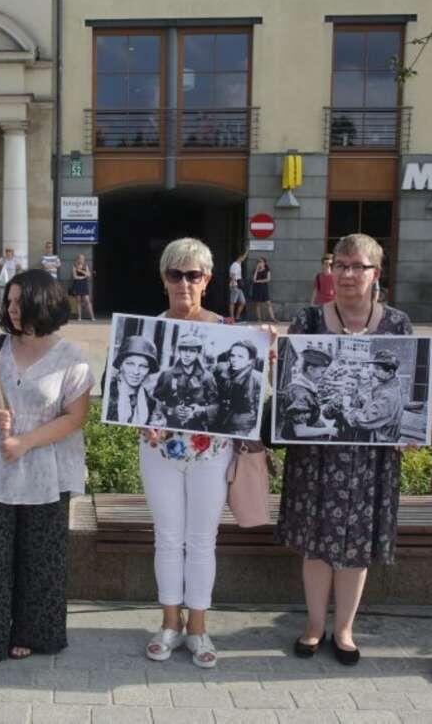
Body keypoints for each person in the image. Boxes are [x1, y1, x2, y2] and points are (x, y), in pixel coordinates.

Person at [275, 233, 414, 667]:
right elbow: (286, 386)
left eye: (357, 266)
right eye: (340, 265)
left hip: (371, 459)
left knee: (356, 545)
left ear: (376, 273)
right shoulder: (307, 320)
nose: (347, 274)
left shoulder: (397, 325)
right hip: (315, 457)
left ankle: (345, 629)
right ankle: (315, 624)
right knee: (316, 543)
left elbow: (403, 398)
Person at [0, 269, 93, 661]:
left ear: (42, 302)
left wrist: (25, 442)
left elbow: (75, 417)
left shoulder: (71, 357)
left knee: (41, 557)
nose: (12, 309)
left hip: (47, 472)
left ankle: (34, 633)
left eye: (20, 301)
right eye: (10, 301)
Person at [138, 238, 235, 670]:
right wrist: (141, 419)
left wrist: (268, 353)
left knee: (201, 540)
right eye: (175, 274)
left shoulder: (229, 331)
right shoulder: (147, 332)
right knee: (167, 537)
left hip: (210, 453)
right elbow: (130, 393)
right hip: (159, 451)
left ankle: (197, 627)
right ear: (163, 279)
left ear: (207, 280)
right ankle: (168, 623)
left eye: (193, 275)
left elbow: (244, 396)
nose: (184, 283)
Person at [149, 332, 219, 431]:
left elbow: (216, 405)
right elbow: (155, 402)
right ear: (179, 351)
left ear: (198, 353)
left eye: (192, 351)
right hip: (170, 426)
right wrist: (171, 410)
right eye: (184, 350)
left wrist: (199, 410)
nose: (187, 355)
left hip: (197, 428)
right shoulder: (167, 374)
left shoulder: (206, 377)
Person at [279, 349, 339, 442]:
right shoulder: (300, 393)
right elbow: (300, 431)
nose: (323, 375)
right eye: (322, 372)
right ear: (310, 369)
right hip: (298, 442)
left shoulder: (304, 386)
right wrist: (329, 430)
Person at [106, 335, 159, 425]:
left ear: (149, 370)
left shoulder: (151, 403)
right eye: (130, 364)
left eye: (143, 366)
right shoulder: (108, 394)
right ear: (121, 365)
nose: (136, 372)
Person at [215, 340, 263, 436]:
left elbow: (260, 411)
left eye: (240, 356)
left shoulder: (258, 379)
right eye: (232, 355)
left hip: (244, 430)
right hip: (222, 425)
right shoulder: (223, 375)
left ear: (250, 360)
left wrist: (255, 431)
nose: (234, 360)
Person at [0, 248, 23, 313]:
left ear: (12, 254)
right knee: (1, 294)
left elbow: (20, 268)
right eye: (7, 254)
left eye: (10, 254)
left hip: (11, 280)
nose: (8, 255)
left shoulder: (15, 260)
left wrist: (19, 268)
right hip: (3, 280)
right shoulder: (2, 260)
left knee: (12, 295)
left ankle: (11, 307)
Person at [250, 257, 276, 322]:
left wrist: (259, 281)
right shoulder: (255, 270)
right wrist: (256, 269)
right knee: (258, 304)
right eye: (258, 262)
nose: (259, 263)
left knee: (268, 303)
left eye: (261, 261)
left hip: (264, 288)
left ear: (264, 263)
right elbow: (254, 279)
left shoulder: (267, 270)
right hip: (257, 288)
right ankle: (259, 318)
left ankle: (273, 318)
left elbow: (268, 279)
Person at [72, 254, 94, 321]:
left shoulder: (85, 265)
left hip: (84, 284)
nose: (81, 260)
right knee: (78, 301)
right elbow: (75, 277)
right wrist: (83, 277)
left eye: (83, 258)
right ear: (78, 259)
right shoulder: (74, 266)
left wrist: (81, 271)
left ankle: (92, 317)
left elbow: (89, 275)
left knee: (87, 300)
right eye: (80, 258)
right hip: (77, 284)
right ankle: (79, 317)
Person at [228, 251, 247, 322]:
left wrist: (247, 251)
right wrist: (234, 285)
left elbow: (244, 256)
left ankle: (237, 317)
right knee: (232, 302)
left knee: (243, 302)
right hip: (235, 284)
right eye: (242, 257)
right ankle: (232, 318)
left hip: (239, 285)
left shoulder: (239, 264)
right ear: (240, 257)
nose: (243, 259)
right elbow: (232, 275)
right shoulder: (235, 265)